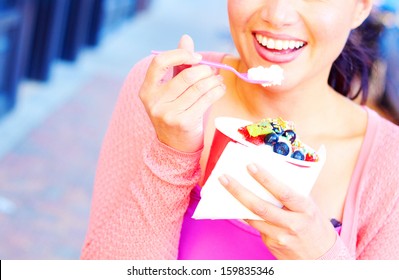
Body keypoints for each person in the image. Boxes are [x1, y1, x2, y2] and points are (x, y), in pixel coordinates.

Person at [81, 0, 399, 260]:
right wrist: (170, 152)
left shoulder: (389, 163)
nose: (277, 14)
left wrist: (324, 260)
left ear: (360, 8)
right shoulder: (167, 92)